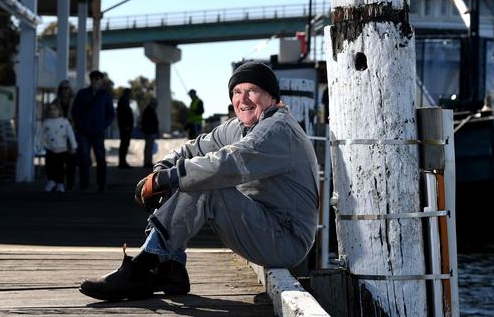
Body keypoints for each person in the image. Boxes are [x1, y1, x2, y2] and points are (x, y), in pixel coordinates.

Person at [79, 62, 319, 301]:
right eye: (237, 92)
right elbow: (194, 149)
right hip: (262, 225)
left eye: (252, 90)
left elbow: (226, 164)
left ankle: (145, 265)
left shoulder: (277, 130)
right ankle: (171, 267)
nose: (243, 98)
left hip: (286, 239)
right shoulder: (241, 127)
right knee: (188, 173)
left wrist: (168, 178)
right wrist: (163, 168)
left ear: (271, 96)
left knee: (204, 180)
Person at [71, 70, 115, 192]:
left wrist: (102, 126)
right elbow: (75, 112)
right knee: (83, 158)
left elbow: (111, 114)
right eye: (94, 78)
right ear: (90, 80)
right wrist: (80, 125)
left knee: (100, 159)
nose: (96, 80)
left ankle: (101, 185)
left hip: (98, 132)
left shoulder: (105, 95)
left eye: (98, 78)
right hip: (83, 132)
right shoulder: (82, 93)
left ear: (101, 81)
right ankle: (84, 184)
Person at [36, 103, 77, 193]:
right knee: (50, 166)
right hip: (50, 148)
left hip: (62, 149)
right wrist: (38, 144)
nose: (52, 111)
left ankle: (60, 184)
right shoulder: (46, 122)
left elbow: (71, 134)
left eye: (55, 109)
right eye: (50, 109)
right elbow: (40, 134)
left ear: (59, 111)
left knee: (60, 167)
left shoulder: (65, 122)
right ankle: (51, 181)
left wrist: (74, 146)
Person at [52, 80, 77, 190]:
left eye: (66, 88)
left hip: (72, 133)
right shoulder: (56, 102)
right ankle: (59, 183)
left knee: (71, 161)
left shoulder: (76, 101)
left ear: (70, 89)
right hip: (59, 135)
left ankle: (70, 184)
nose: (64, 91)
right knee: (59, 161)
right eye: (62, 88)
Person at [117, 88, 134, 168]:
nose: (131, 95)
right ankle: (122, 162)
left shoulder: (124, 101)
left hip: (126, 127)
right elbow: (123, 115)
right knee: (124, 144)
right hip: (125, 127)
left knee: (125, 144)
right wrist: (125, 126)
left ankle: (123, 161)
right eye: (130, 93)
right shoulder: (123, 101)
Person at [141, 98, 159, 168]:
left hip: (151, 131)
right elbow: (148, 122)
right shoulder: (149, 110)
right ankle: (147, 162)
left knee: (149, 147)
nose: (156, 105)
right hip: (149, 131)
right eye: (155, 103)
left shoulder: (150, 110)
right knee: (148, 147)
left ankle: (148, 161)